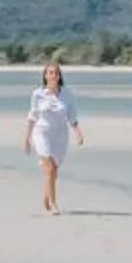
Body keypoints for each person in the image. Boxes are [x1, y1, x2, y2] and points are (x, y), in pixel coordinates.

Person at [23, 60, 83, 213]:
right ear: (45, 76)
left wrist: (78, 133)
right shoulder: (38, 94)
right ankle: (54, 203)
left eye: (56, 73)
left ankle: (46, 196)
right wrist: (27, 139)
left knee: (54, 170)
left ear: (59, 76)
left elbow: (72, 116)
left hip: (60, 135)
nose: (53, 76)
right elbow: (32, 116)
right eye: (50, 73)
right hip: (41, 133)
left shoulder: (67, 94)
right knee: (49, 168)